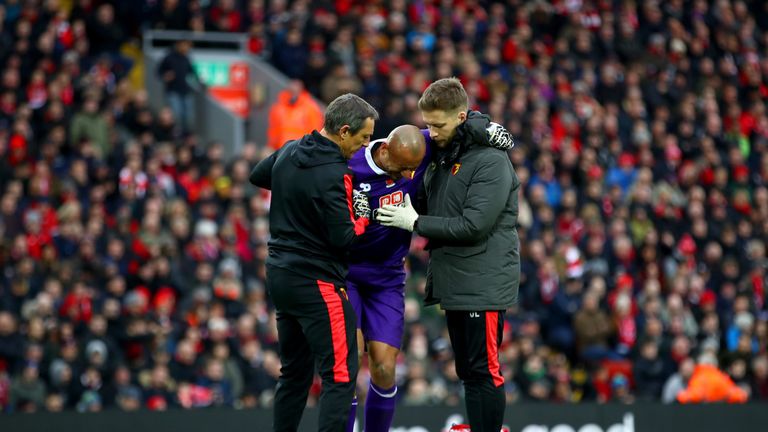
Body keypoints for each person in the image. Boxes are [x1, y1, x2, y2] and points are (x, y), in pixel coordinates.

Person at [344, 122, 513, 432]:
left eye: (414, 168)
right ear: (384, 151)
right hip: (348, 272)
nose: (409, 176)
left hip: (388, 277)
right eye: (403, 168)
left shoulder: (418, 145)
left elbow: (452, 121)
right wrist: (348, 212)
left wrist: (485, 128)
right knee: (349, 361)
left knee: (384, 366)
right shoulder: (349, 161)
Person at [376, 77, 520, 432]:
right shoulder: (444, 154)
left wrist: (415, 221)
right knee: (469, 370)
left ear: (460, 117)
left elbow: (474, 225)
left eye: (438, 125)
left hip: (482, 281)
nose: (432, 132)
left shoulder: (491, 162)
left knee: (484, 369)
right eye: (428, 124)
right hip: (458, 279)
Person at [249, 93, 378, 432]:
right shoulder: (337, 172)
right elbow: (345, 239)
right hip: (317, 283)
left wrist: (298, 194)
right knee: (340, 375)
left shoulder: (291, 149)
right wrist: (364, 216)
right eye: (363, 137)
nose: (365, 146)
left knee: (293, 374)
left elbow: (258, 174)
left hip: (280, 275)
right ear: (344, 131)